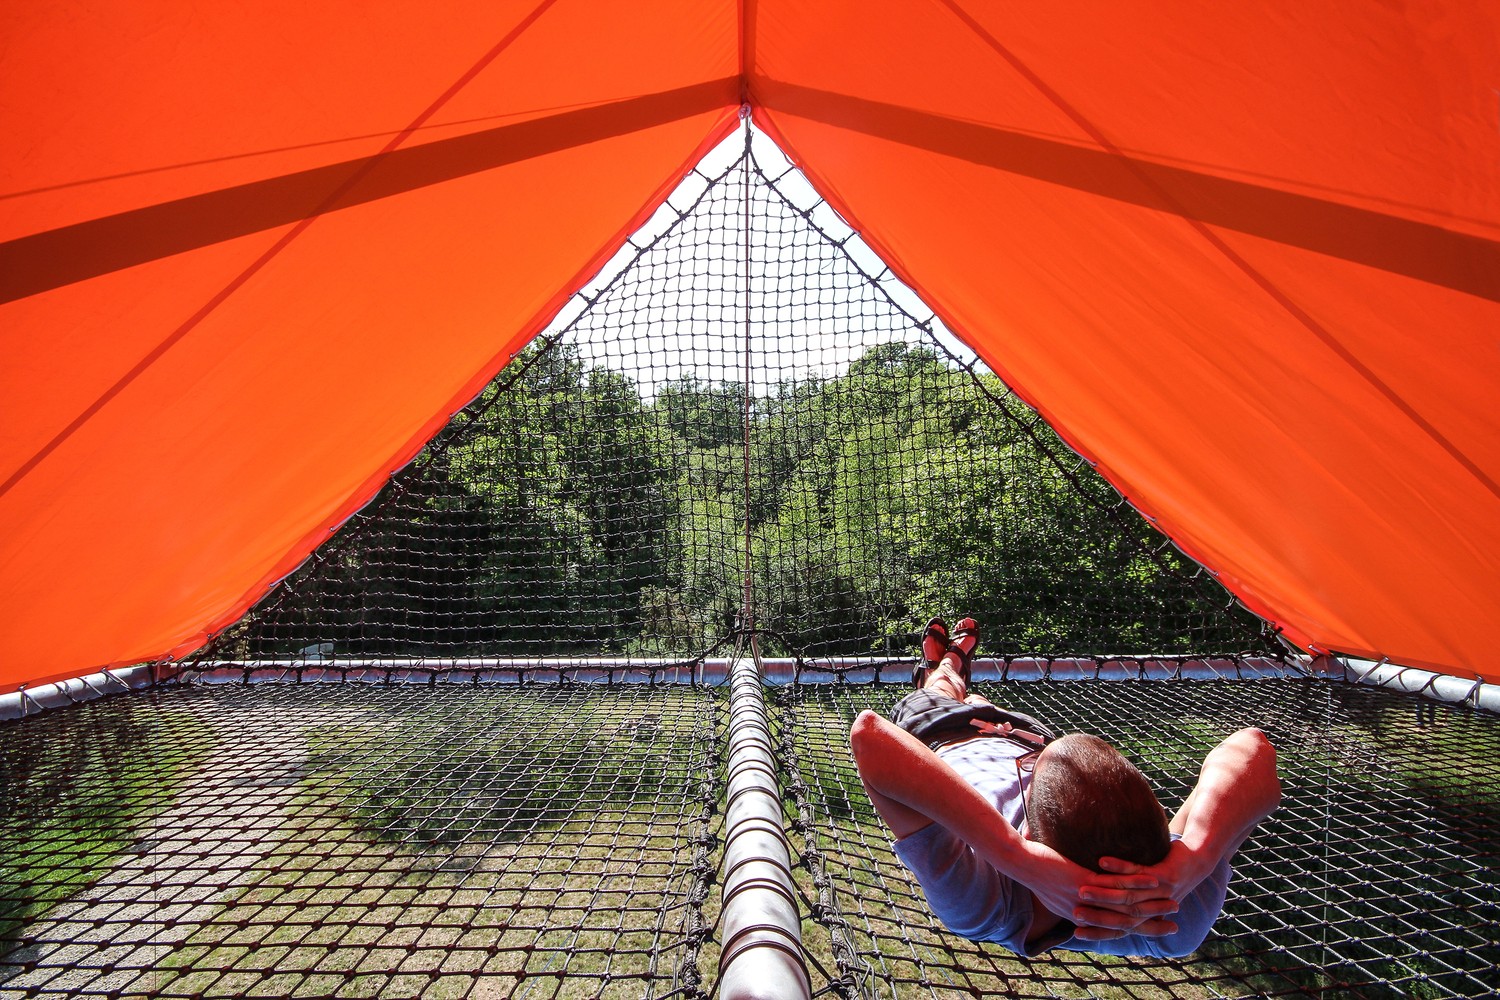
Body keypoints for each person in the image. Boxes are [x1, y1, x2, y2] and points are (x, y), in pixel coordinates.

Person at [849, 616, 1280, 958]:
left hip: (941, 735)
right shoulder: (1172, 913)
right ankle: (958, 674)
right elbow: (1252, 746)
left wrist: (1017, 858)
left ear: (1031, 835)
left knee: (947, 691)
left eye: (1030, 775)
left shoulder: (985, 905)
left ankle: (944, 667)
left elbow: (870, 734)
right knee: (979, 703)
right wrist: (1197, 856)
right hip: (1023, 735)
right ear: (1162, 836)